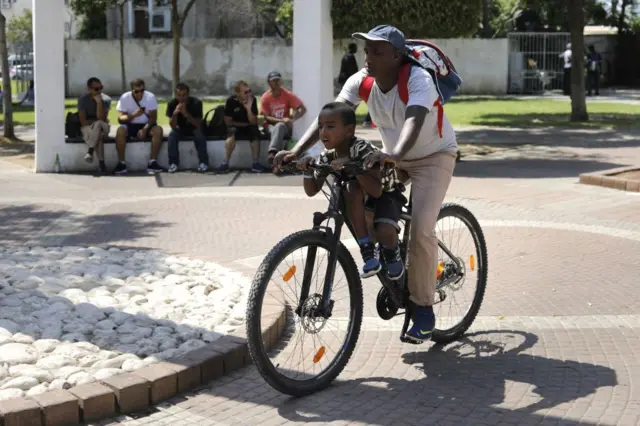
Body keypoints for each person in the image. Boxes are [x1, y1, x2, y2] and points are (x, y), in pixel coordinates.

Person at [273, 25, 458, 343]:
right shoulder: (362, 81)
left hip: (433, 156)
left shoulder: (418, 79)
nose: (368, 57)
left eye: (377, 51)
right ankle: (392, 260)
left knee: (422, 231)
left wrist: (394, 154)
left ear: (397, 56)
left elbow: (414, 119)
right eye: (366, 50)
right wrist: (297, 151)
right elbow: (330, 118)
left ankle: (424, 310)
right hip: (392, 158)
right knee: (363, 204)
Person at [297, 102, 405, 280]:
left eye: (330, 127)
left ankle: (393, 254)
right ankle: (367, 251)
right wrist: (308, 171)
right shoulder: (328, 155)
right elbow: (312, 190)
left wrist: (352, 167)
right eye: (321, 127)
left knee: (385, 231)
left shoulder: (362, 149)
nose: (323, 132)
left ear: (349, 131)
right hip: (359, 195)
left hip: (385, 193)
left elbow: (377, 191)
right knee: (350, 188)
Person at [114, 78, 164, 175]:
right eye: (136, 91)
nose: (139, 94)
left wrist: (144, 130)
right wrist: (133, 115)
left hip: (147, 125)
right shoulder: (125, 97)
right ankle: (121, 163)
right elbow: (121, 118)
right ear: (132, 90)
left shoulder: (150, 97)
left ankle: (152, 162)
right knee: (120, 131)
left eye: (142, 91)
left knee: (158, 130)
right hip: (130, 125)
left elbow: (153, 118)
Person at [218, 81, 269, 173]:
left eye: (249, 91)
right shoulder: (231, 101)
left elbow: (254, 121)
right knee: (231, 135)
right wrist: (243, 124)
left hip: (249, 126)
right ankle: (225, 163)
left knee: (255, 134)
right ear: (238, 93)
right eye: (245, 92)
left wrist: (249, 108)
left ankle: (255, 163)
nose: (248, 94)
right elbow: (228, 121)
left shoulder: (252, 100)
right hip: (236, 126)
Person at [260, 71, 307, 167]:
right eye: (273, 81)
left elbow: (302, 109)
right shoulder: (265, 97)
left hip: (284, 127)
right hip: (270, 126)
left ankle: (272, 154)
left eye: (278, 80)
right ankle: (276, 161)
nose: (276, 83)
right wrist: (282, 120)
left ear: (281, 81)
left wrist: (292, 120)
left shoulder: (287, 94)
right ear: (269, 83)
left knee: (280, 127)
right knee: (279, 127)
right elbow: (266, 117)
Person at [166, 82, 209, 173]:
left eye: (184, 95)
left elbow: (198, 124)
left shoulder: (196, 103)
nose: (181, 98)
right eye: (179, 95)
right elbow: (172, 126)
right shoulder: (172, 104)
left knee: (199, 135)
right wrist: (174, 114)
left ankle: (203, 162)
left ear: (188, 94)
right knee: (172, 135)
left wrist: (185, 113)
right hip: (180, 129)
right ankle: (173, 163)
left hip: (194, 127)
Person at [77, 77, 111, 174]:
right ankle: (102, 165)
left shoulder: (106, 99)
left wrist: (99, 103)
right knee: (98, 136)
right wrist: (95, 122)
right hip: (88, 128)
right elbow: (83, 121)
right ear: (89, 89)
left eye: (101, 88)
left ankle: (90, 151)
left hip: (103, 127)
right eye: (96, 89)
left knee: (99, 124)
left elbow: (102, 119)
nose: (99, 91)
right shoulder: (83, 100)